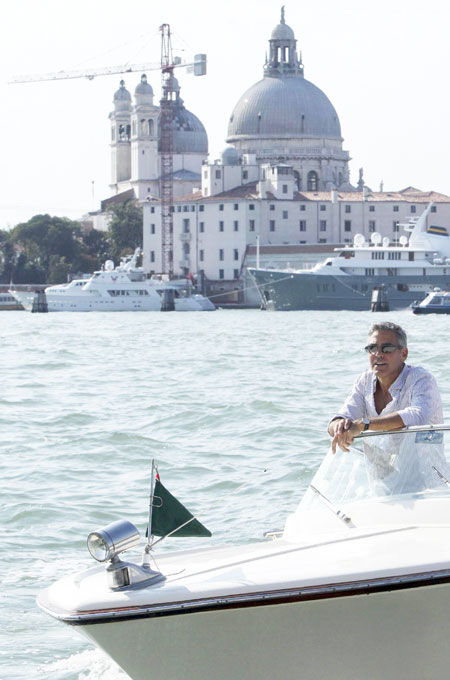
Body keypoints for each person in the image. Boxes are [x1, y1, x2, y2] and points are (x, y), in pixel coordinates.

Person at [328, 322, 443, 454]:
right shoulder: (364, 381)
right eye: (372, 348)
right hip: (379, 474)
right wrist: (341, 427)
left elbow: (418, 416)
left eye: (387, 349)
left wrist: (363, 424)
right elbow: (339, 418)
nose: (378, 354)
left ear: (404, 354)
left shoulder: (422, 379)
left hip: (425, 473)